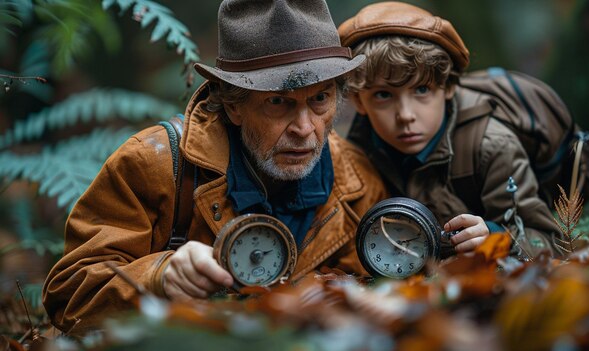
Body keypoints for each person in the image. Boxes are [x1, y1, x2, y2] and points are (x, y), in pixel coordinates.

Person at [43, 0, 387, 333]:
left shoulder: (355, 182)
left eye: (320, 99)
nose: (305, 128)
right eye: (278, 102)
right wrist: (158, 277)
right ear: (233, 106)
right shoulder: (153, 166)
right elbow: (69, 296)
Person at [338, 2, 563, 256]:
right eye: (383, 95)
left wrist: (496, 237)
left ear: (448, 87)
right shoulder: (354, 151)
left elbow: (549, 241)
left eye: (421, 90)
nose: (405, 115)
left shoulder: (492, 146)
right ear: (358, 101)